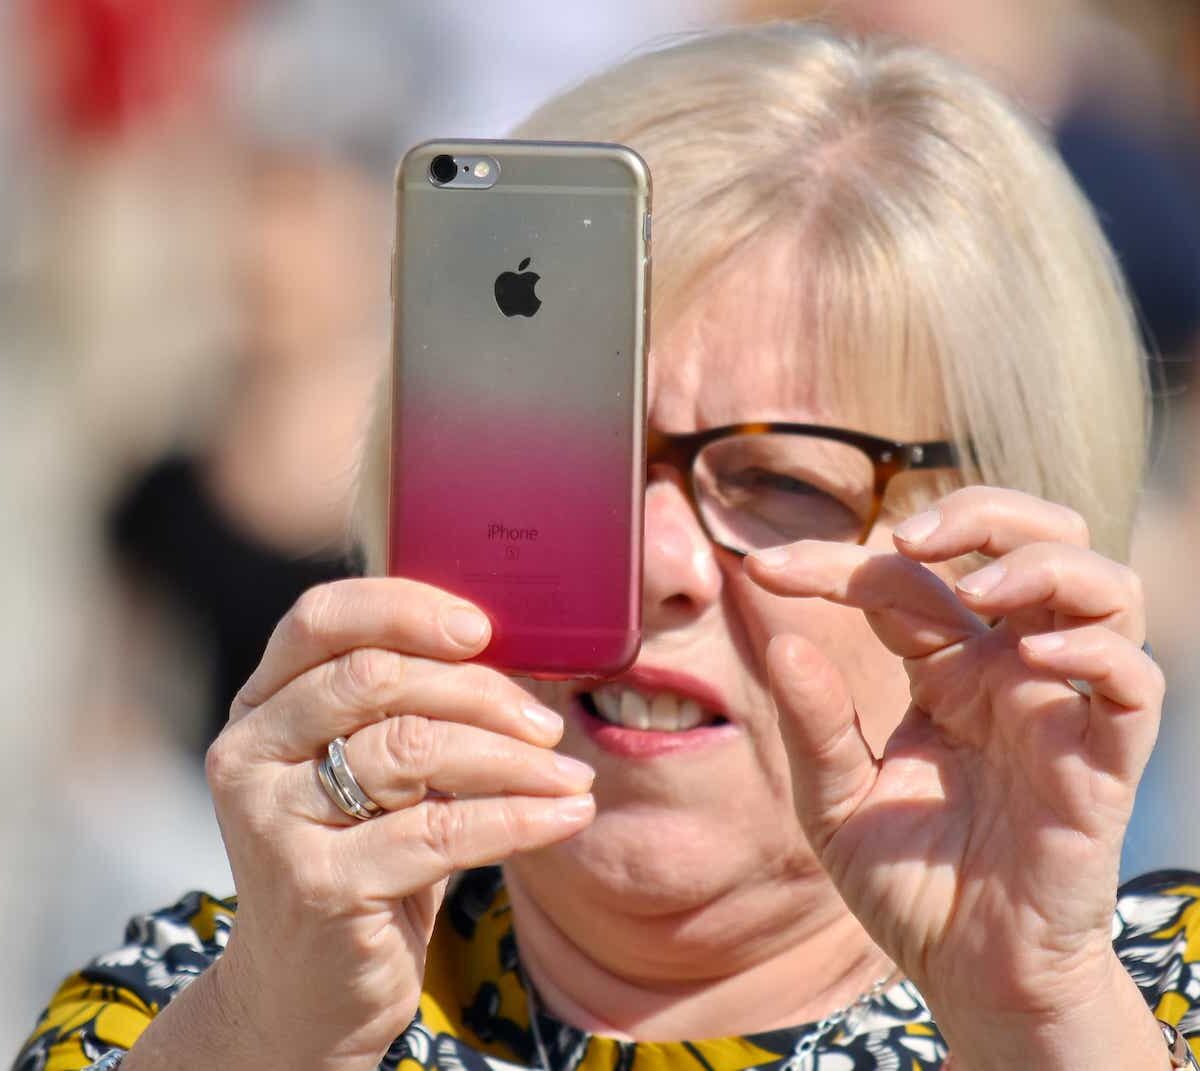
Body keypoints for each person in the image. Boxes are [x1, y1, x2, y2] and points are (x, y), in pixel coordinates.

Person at [13, 21, 1199, 1071]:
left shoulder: (1143, 1009)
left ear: (1001, 557)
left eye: (785, 481)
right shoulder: (212, 992)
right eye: (563, 455)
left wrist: (1040, 1024)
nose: (655, 559)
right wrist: (271, 1035)